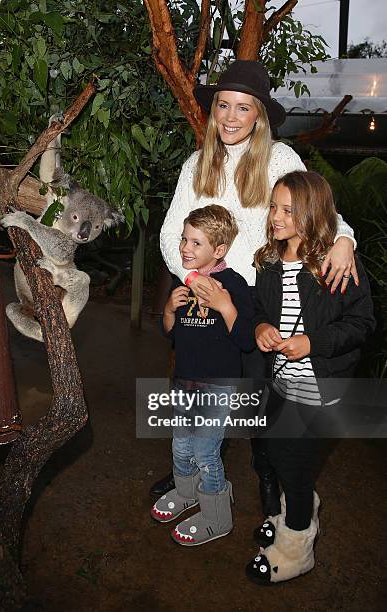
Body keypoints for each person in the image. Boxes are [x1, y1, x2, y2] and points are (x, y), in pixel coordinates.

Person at [153, 59, 358, 517]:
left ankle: (267, 477)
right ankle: (188, 466)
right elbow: (170, 234)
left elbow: (316, 209)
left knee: (257, 398)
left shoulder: (280, 159)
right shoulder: (196, 164)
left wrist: (344, 239)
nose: (229, 117)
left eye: (242, 108)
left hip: (258, 296)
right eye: (223, 105)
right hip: (205, 293)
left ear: (259, 116)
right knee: (195, 385)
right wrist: (193, 279)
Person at [245, 170, 375, 584]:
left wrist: (312, 343)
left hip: (323, 390)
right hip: (282, 383)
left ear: (313, 212)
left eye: (288, 210)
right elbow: (260, 310)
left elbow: (363, 323)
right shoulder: (267, 262)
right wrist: (261, 327)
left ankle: (298, 545)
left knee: (295, 467)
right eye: (273, 207)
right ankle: (294, 512)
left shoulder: (337, 264)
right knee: (283, 458)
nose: (276, 217)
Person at [151, 205, 255, 546]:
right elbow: (171, 334)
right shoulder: (183, 284)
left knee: (205, 452)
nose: (185, 248)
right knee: (181, 445)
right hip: (184, 382)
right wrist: (169, 309)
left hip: (216, 387)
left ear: (218, 250)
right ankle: (188, 494)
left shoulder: (234, 285)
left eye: (196, 243)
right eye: (184, 239)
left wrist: (226, 306)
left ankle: (217, 516)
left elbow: (245, 341)